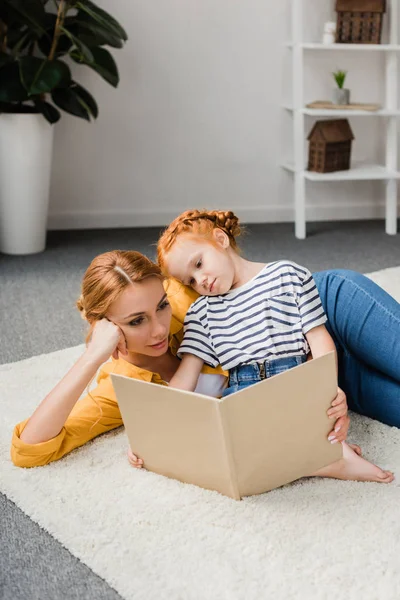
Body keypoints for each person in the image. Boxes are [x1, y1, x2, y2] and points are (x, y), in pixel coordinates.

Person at [11, 248, 395, 484]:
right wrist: (93, 355)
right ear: (106, 326)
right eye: (136, 321)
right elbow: (29, 449)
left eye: (160, 305)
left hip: (325, 309)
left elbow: (225, 261)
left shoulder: (185, 293)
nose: (160, 327)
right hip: (314, 381)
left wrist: (319, 378)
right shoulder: (120, 384)